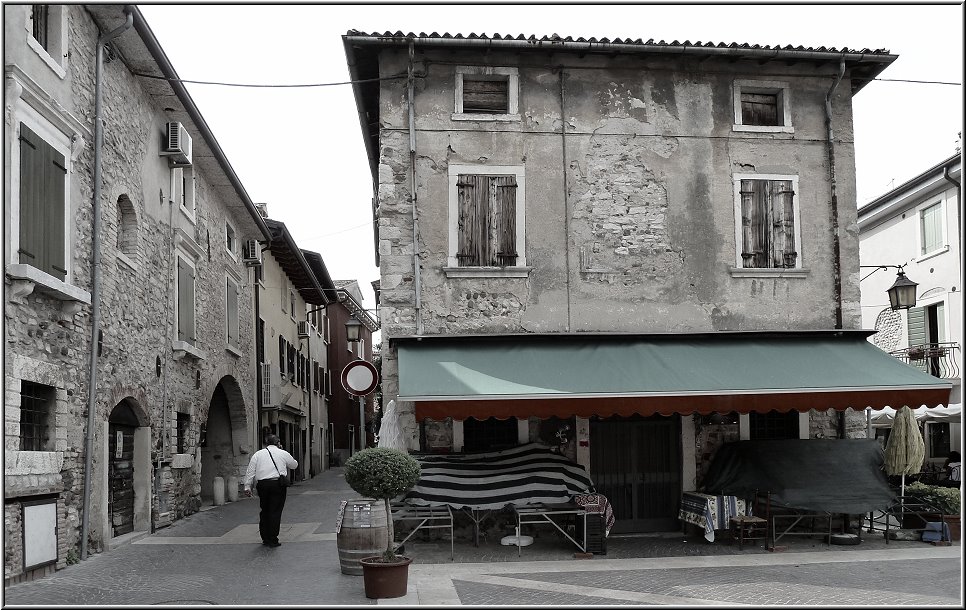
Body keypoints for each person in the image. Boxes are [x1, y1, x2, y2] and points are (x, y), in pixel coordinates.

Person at [244, 434, 298, 547]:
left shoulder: (258, 454)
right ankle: (273, 538)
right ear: (278, 443)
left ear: (266, 443)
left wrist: (247, 486)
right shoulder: (283, 453)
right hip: (277, 484)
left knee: (265, 510)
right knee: (275, 511)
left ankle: (265, 537)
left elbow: (250, 471)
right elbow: (294, 465)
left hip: (262, 485)